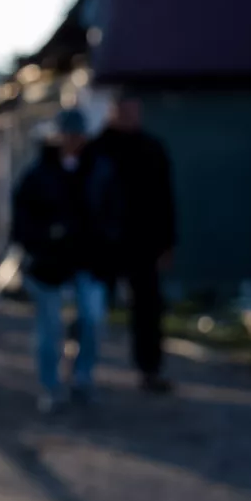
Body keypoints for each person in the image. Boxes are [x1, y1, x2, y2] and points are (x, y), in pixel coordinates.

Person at [12, 108, 119, 413]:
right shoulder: (39, 173)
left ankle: (83, 378)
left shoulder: (100, 169)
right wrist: (43, 240)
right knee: (49, 328)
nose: (73, 141)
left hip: (90, 261)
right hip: (50, 263)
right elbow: (22, 218)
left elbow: (114, 211)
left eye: (77, 135)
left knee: (91, 320)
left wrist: (106, 243)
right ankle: (50, 385)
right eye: (68, 135)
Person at [85, 94, 177, 394]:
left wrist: (168, 242)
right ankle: (83, 371)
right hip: (103, 244)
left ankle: (149, 370)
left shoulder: (152, 148)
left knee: (148, 309)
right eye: (123, 109)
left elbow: (165, 197)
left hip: (144, 243)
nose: (129, 115)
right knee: (91, 308)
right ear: (113, 111)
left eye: (133, 109)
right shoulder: (97, 149)